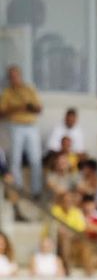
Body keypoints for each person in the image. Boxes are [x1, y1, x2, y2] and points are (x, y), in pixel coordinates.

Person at [0, 65, 43, 194]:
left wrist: (28, 106)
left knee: (35, 158)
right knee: (15, 158)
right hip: (15, 126)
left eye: (16, 76)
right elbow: (2, 112)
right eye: (11, 77)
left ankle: (36, 190)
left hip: (31, 126)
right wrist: (18, 107)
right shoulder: (7, 92)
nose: (14, 79)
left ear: (20, 76)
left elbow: (39, 108)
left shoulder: (29, 89)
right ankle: (17, 189)